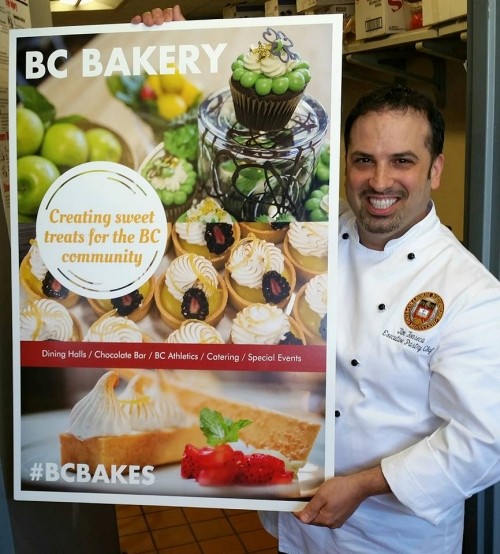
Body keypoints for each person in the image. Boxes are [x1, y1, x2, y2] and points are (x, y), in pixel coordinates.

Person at [132, 8, 500, 553]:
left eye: (402, 161)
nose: (380, 182)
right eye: (362, 161)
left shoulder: (470, 291)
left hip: (394, 534)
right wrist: (166, 41)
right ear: (343, 162)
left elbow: (485, 441)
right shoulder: (308, 238)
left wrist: (366, 484)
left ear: (435, 170)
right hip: (296, 522)